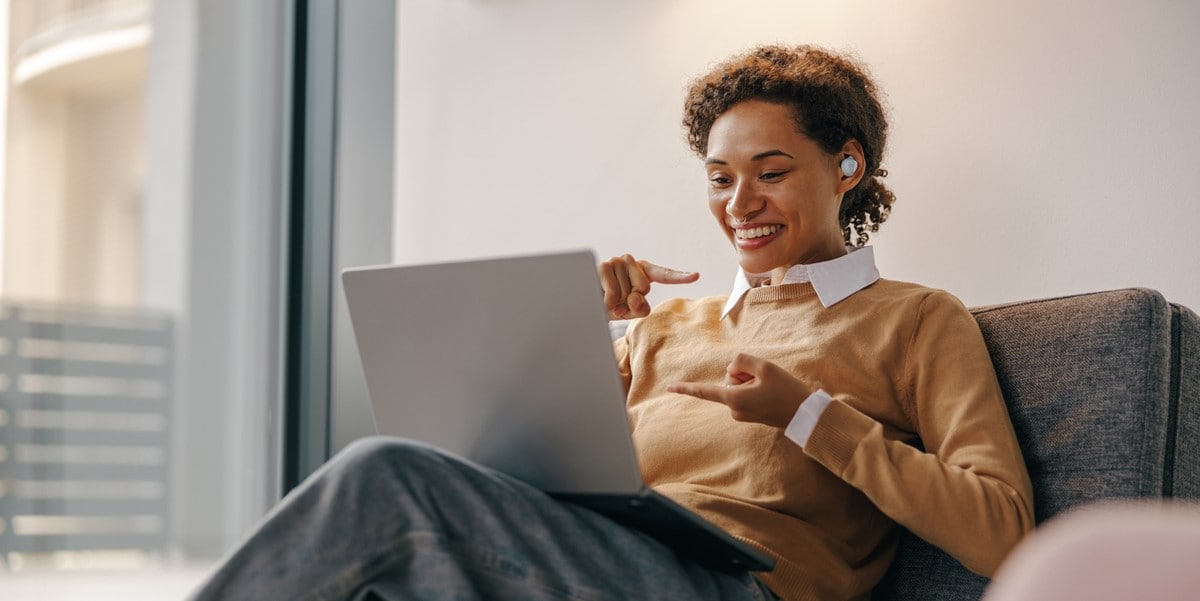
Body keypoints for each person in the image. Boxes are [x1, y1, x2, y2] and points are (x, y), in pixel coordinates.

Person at [188, 44, 1034, 601]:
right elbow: (548, 480)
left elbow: (1004, 534)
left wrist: (806, 414)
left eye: (770, 172)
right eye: (718, 178)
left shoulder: (917, 320)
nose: (740, 204)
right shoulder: (667, 329)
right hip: (603, 558)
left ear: (847, 163)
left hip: (735, 586)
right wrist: (572, 342)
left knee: (384, 481)